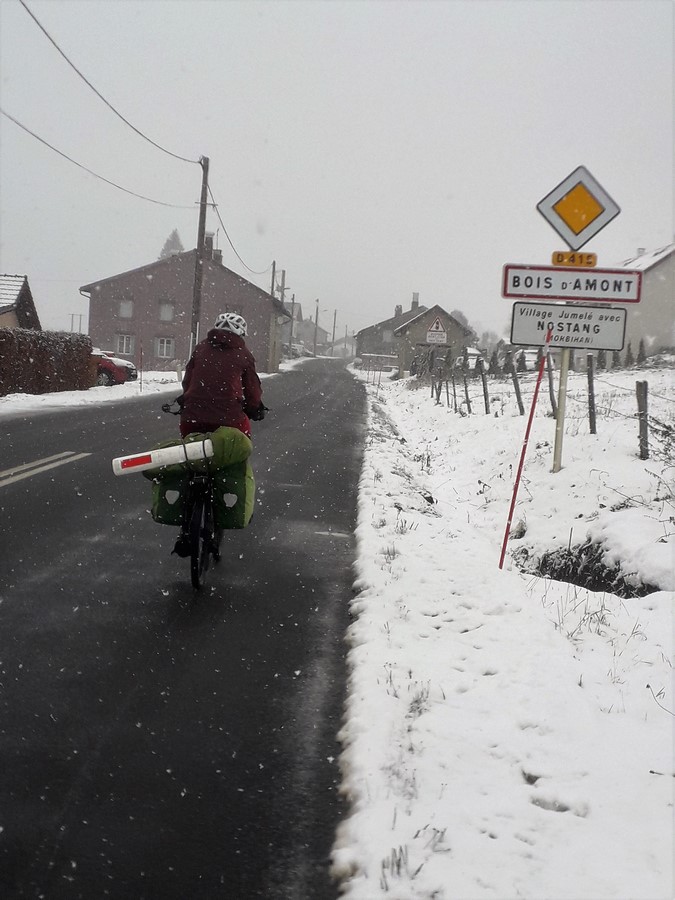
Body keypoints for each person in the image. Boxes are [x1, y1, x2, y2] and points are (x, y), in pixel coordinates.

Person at [178, 312, 265, 438]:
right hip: (229, 418)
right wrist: (254, 407)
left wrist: (189, 399)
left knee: (189, 448)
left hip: (192, 417)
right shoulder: (244, 354)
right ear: (241, 333)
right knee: (241, 447)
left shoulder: (201, 348)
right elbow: (252, 389)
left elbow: (188, 381)